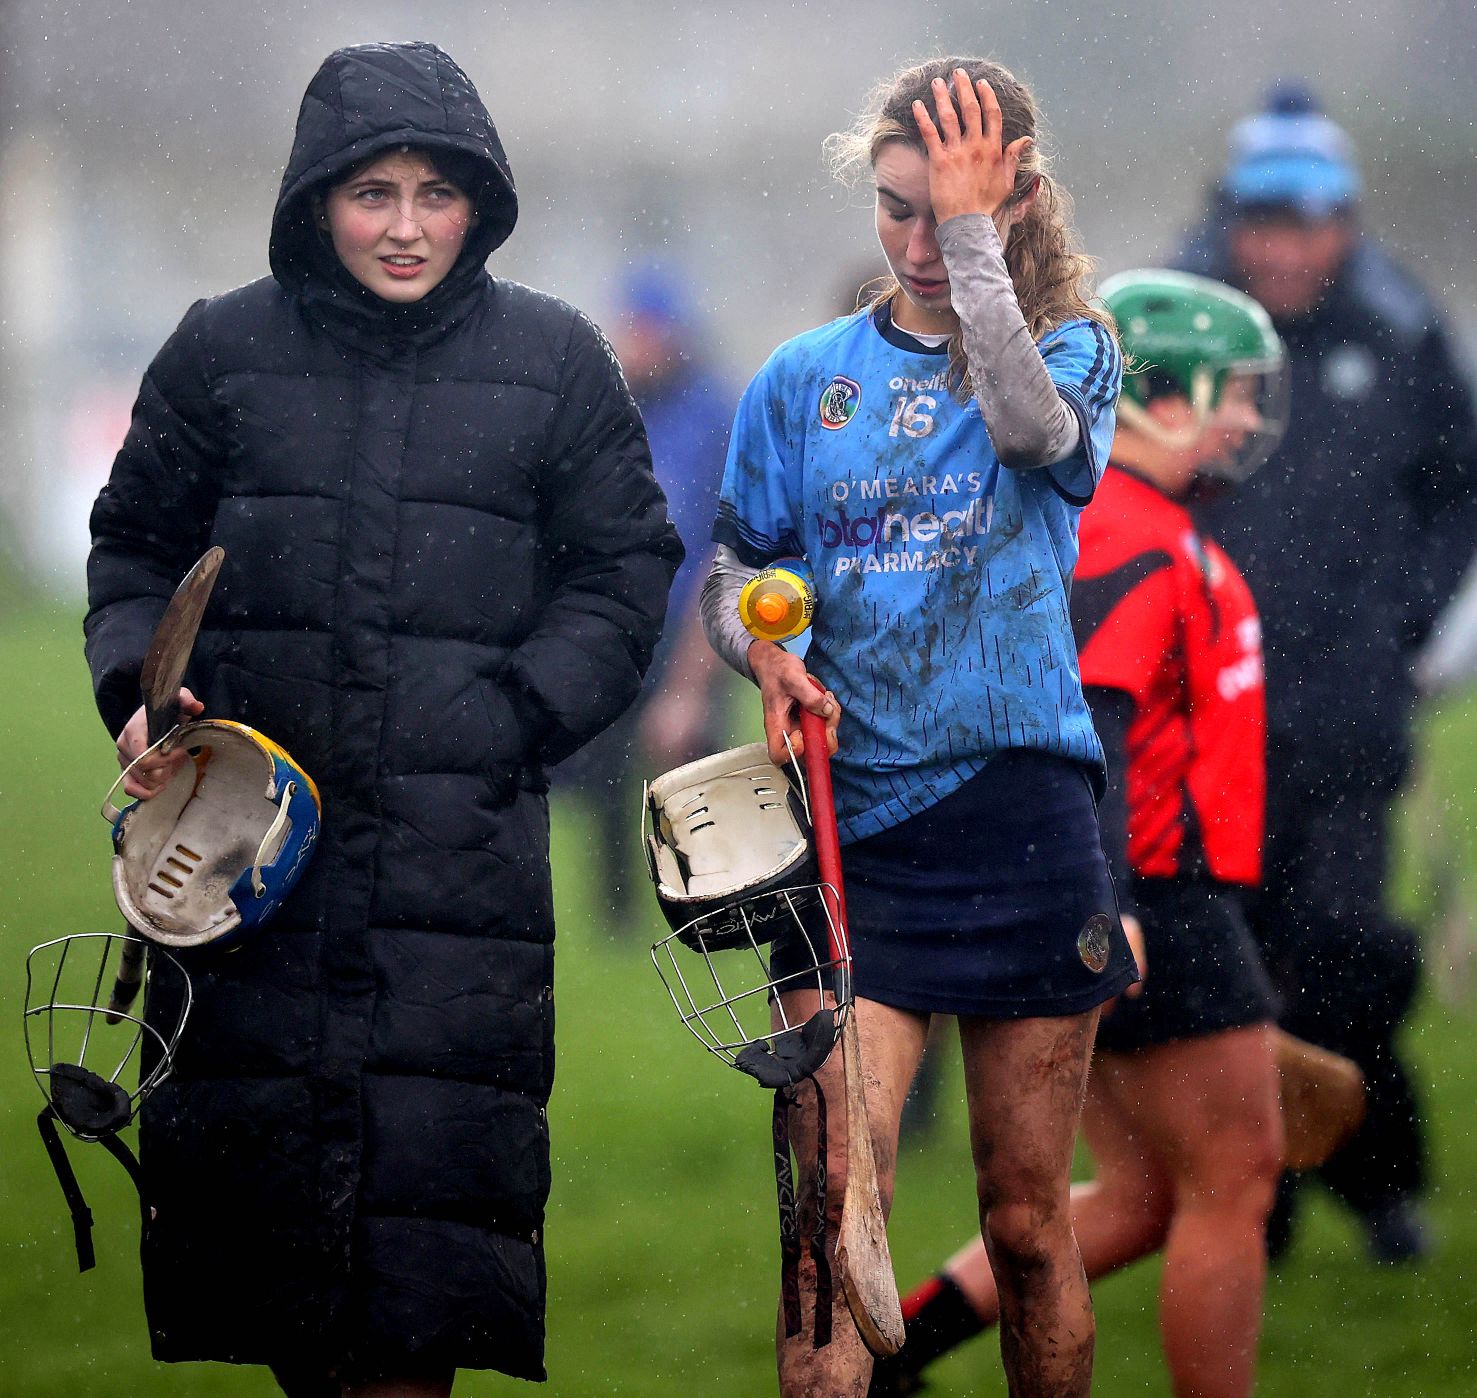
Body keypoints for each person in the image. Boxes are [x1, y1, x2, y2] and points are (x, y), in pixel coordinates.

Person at [84, 41, 681, 1398]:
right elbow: (133, 555)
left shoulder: (554, 361)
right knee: (293, 1317)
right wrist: (138, 690)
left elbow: (624, 569)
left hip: (451, 895)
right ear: (317, 200)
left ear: (480, 202)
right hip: (247, 885)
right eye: (372, 193)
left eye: (435, 192)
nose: (406, 227)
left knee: (416, 1316)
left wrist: (515, 717)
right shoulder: (220, 351)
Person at [701, 58, 1136, 1396]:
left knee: (1025, 1219)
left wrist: (972, 239)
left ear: (1016, 202)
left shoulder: (1075, 351)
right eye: (897, 209)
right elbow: (734, 568)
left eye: (949, 212)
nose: (920, 242)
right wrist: (761, 649)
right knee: (834, 1216)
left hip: (1022, 823)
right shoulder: (802, 380)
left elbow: (1027, 435)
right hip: (853, 834)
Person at [872, 270, 1291, 1398]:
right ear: (1161, 393)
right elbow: (1083, 728)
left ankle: (896, 1357)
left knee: (1143, 1191)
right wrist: (1109, 904)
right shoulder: (1123, 534)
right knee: (1235, 1179)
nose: (1246, 417)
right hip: (1151, 893)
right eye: (1232, 391)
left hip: (1126, 889)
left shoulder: (1131, 521)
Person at [1175, 81, 1477, 1262]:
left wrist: (1411, 621)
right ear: (1232, 220)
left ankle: (1376, 1179)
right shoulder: (1175, 331)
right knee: (1232, 970)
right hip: (1201, 720)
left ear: (1344, 223)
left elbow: (1456, 493)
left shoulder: (1398, 332)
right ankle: (1258, 1197)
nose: (1286, 251)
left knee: (1348, 953)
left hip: (1348, 711)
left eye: (1308, 226)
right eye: (1264, 224)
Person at [551, 261, 734, 933]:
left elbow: (726, 536)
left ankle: (714, 902)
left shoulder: (714, 412)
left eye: (649, 330)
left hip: (691, 625)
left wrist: (690, 677)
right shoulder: (608, 410)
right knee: (606, 771)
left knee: (696, 773)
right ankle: (619, 914)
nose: (637, 344)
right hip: (620, 625)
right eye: (629, 330)